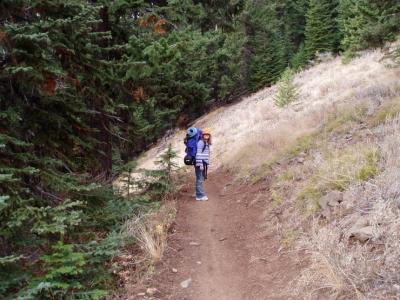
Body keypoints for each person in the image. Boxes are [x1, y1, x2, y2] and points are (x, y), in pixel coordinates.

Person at [195, 128, 211, 201]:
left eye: (208, 135)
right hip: (200, 163)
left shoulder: (206, 142)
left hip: (203, 162)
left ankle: (198, 193)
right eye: (205, 134)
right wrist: (200, 164)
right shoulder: (201, 142)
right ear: (202, 135)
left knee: (200, 178)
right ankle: (200, 196)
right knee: (200, 179)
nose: (206, 136)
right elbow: (198, 154)